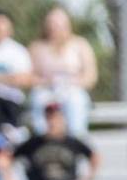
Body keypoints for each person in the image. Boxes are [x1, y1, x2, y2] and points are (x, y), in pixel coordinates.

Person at [27, 7, 97, 137]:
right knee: (38, 99)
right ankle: (43, 142)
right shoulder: (37, 47)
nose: (55, 28)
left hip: (72, 89)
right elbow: (28, 76)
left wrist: (73, 82)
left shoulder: (80, 44)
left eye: (59, 25)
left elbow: (90, 76)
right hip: (46, 89)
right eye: (52, 24)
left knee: (76, 101)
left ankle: (76, 141)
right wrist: (45, 81)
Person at [15, 102, 100, 180]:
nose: (52, 122)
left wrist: (88, 178)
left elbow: (94, 156)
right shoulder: (33, 142)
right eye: (49, 118)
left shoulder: (72, 142)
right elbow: (8, 157)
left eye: (56, 118)